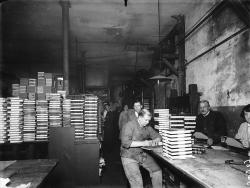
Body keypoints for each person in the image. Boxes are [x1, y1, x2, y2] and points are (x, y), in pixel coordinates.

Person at [120, 109, 162, 188]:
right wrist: (144, 143)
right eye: (146, 120)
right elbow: (125, 143)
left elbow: (158, 135)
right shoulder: (129, 125)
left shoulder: (147, 127)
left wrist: (157, 139)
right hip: (128, 156)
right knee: (137, 182)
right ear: (139, 117)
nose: (147, 122)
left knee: (157, 171)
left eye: (149, 120)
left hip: (140, 154)